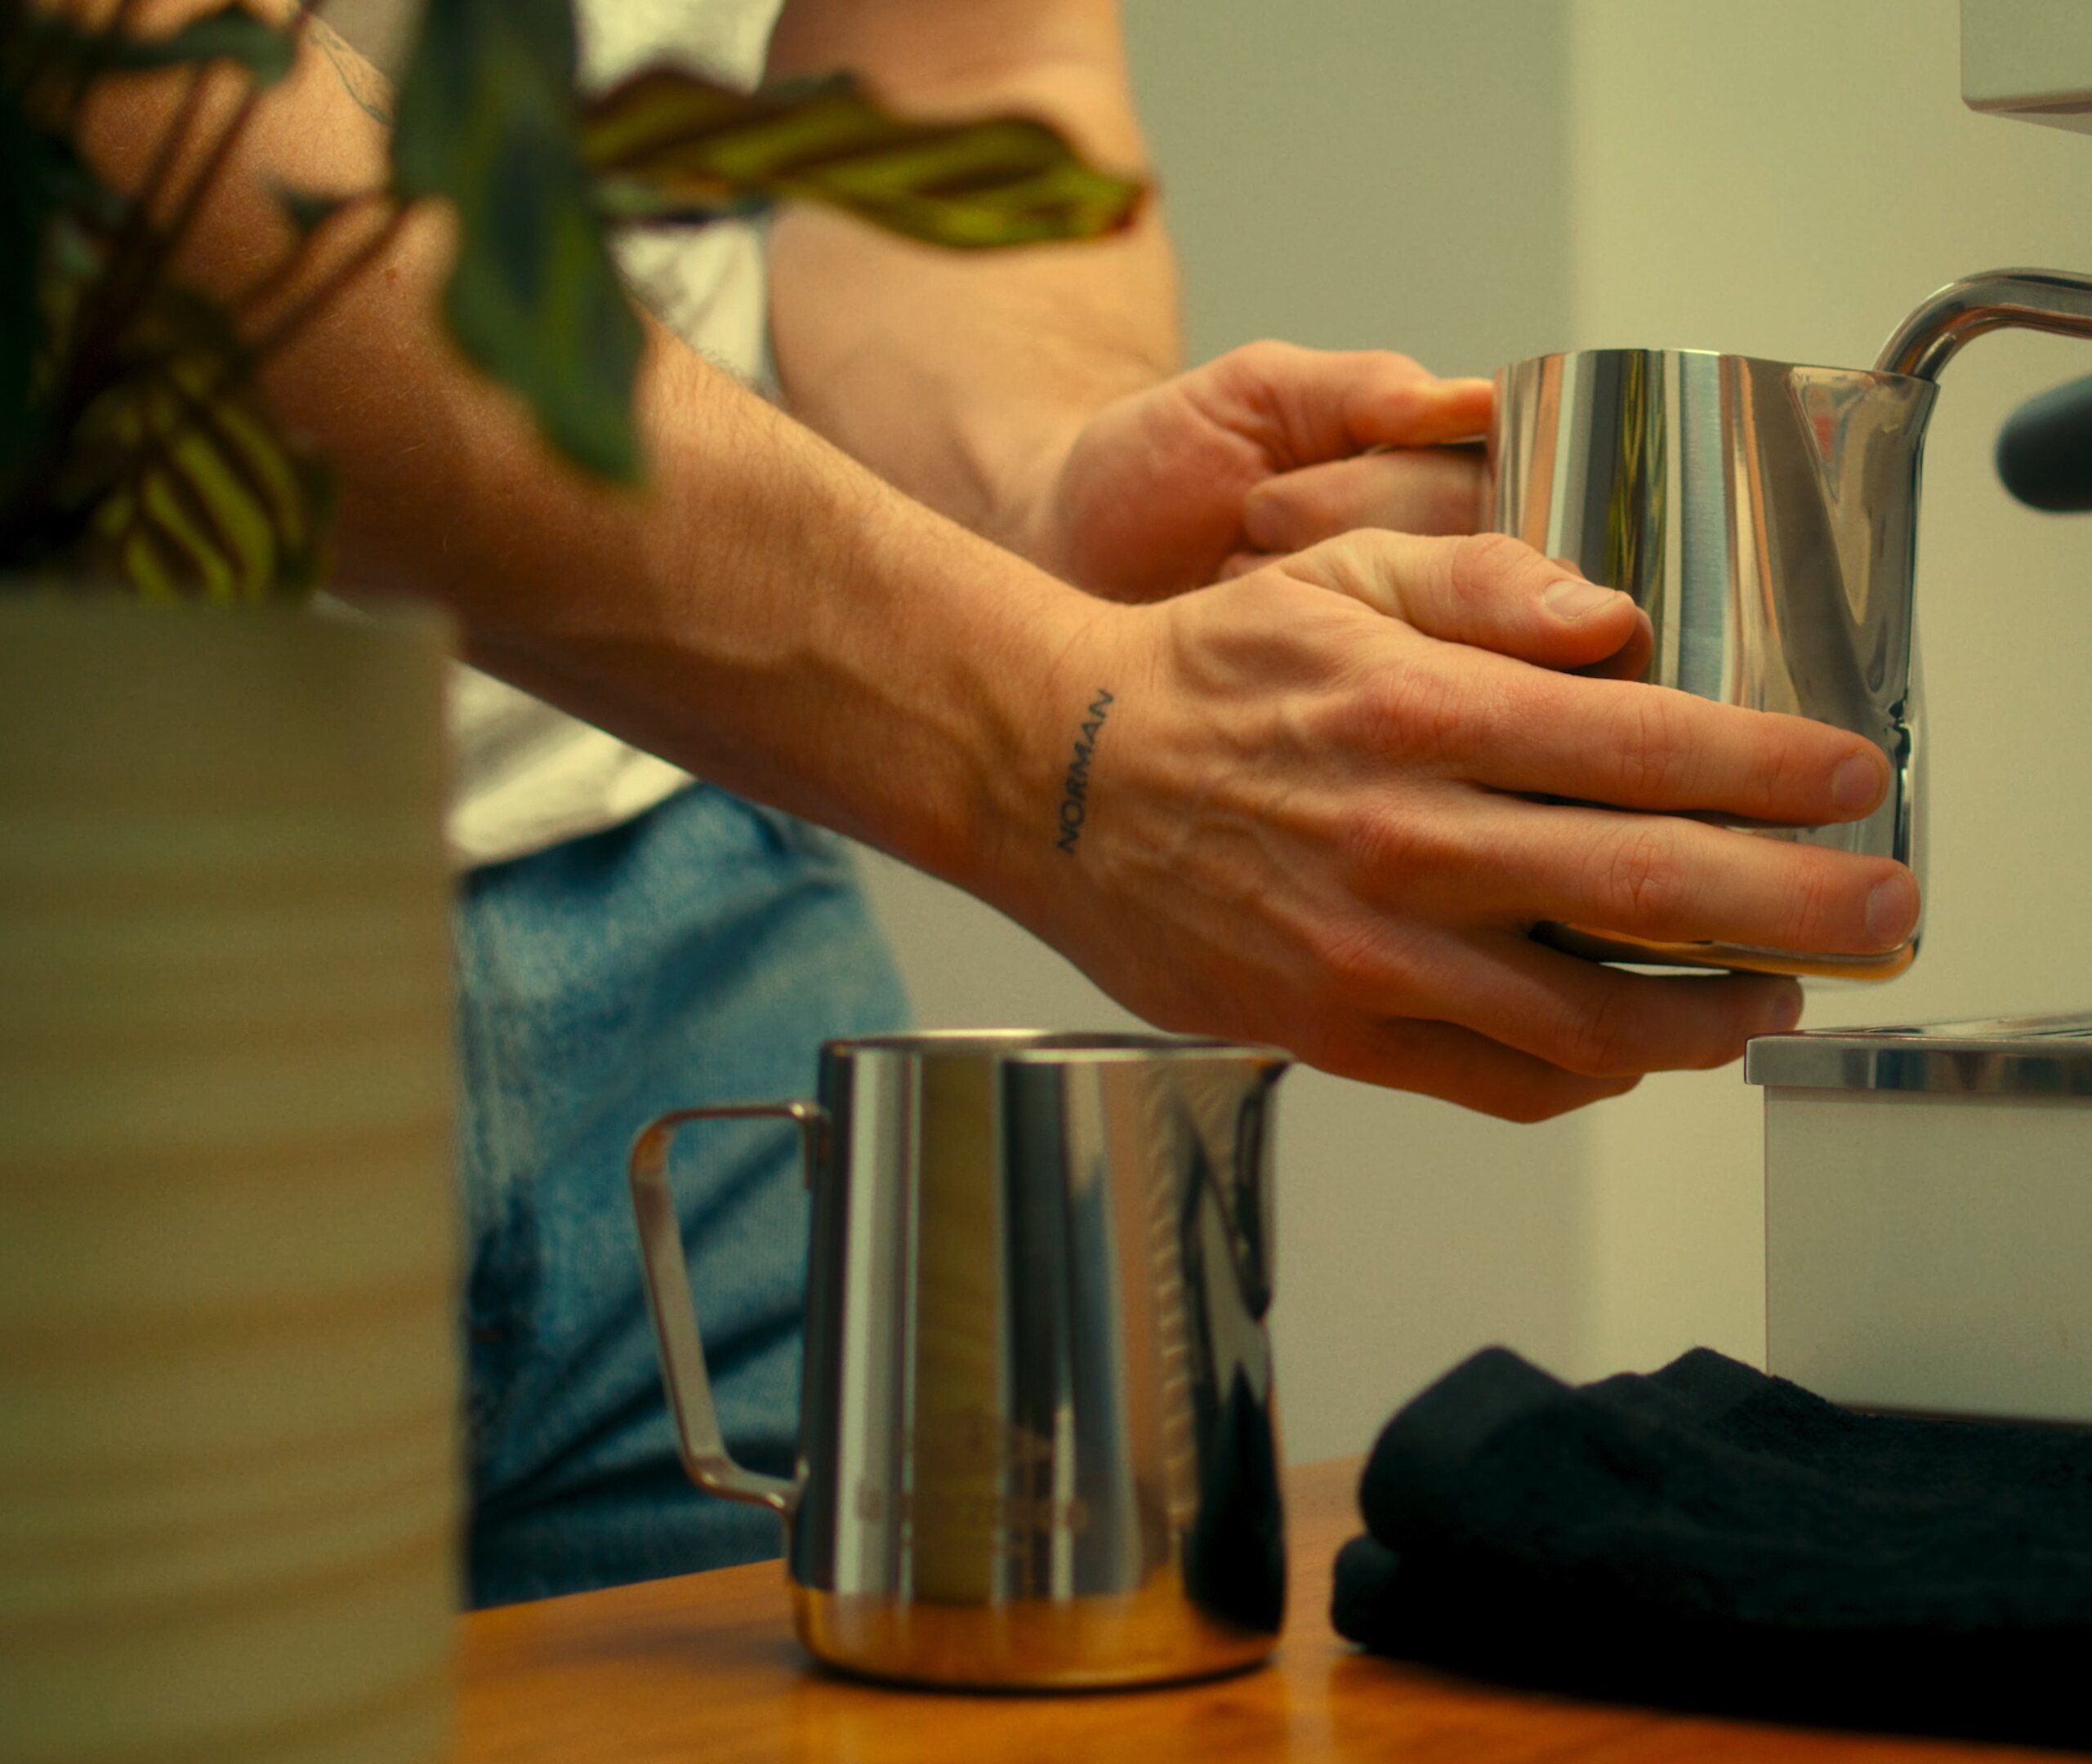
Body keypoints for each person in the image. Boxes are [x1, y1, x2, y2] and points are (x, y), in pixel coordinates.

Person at [83, 0, 1920, 1603]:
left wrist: (1032, 480)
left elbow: (954, 65)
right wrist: (1051, 730)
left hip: (698, 932)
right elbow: (113, 105)